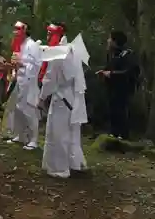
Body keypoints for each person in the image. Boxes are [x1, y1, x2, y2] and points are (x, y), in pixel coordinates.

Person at [39, 23, 88, 177]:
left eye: (49, 33)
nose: (47, 36)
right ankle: (73, 163)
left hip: (61, 98)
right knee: (71, 133)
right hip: (72, 98)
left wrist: (41, 97)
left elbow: (50, 79)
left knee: (58, 134)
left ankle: (60, 169)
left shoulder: (58, 54)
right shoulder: (72, 49)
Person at [7, 21, 42, 150]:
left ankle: (33, 139)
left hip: (29, 82)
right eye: (14, 29)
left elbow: (37, 64)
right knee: (17, 110)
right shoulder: (19, 45)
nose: (15, 32)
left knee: (30, 109)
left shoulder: (32, 45)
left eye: (18, 29)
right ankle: (20, 135)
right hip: (19, 81)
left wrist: (23, 65)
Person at [97, 31, 138, 139]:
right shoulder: (112, 54)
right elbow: (110, 68)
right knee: (112, 110)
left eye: (110, 38)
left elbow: (130, 72)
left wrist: (112, 74)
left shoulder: (127, 54)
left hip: (123, 89)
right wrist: (103, 73)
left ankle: (123, 135)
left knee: (121, 111)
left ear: (115, 41)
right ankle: (113, 132)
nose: (108, 41)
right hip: (112, 89)